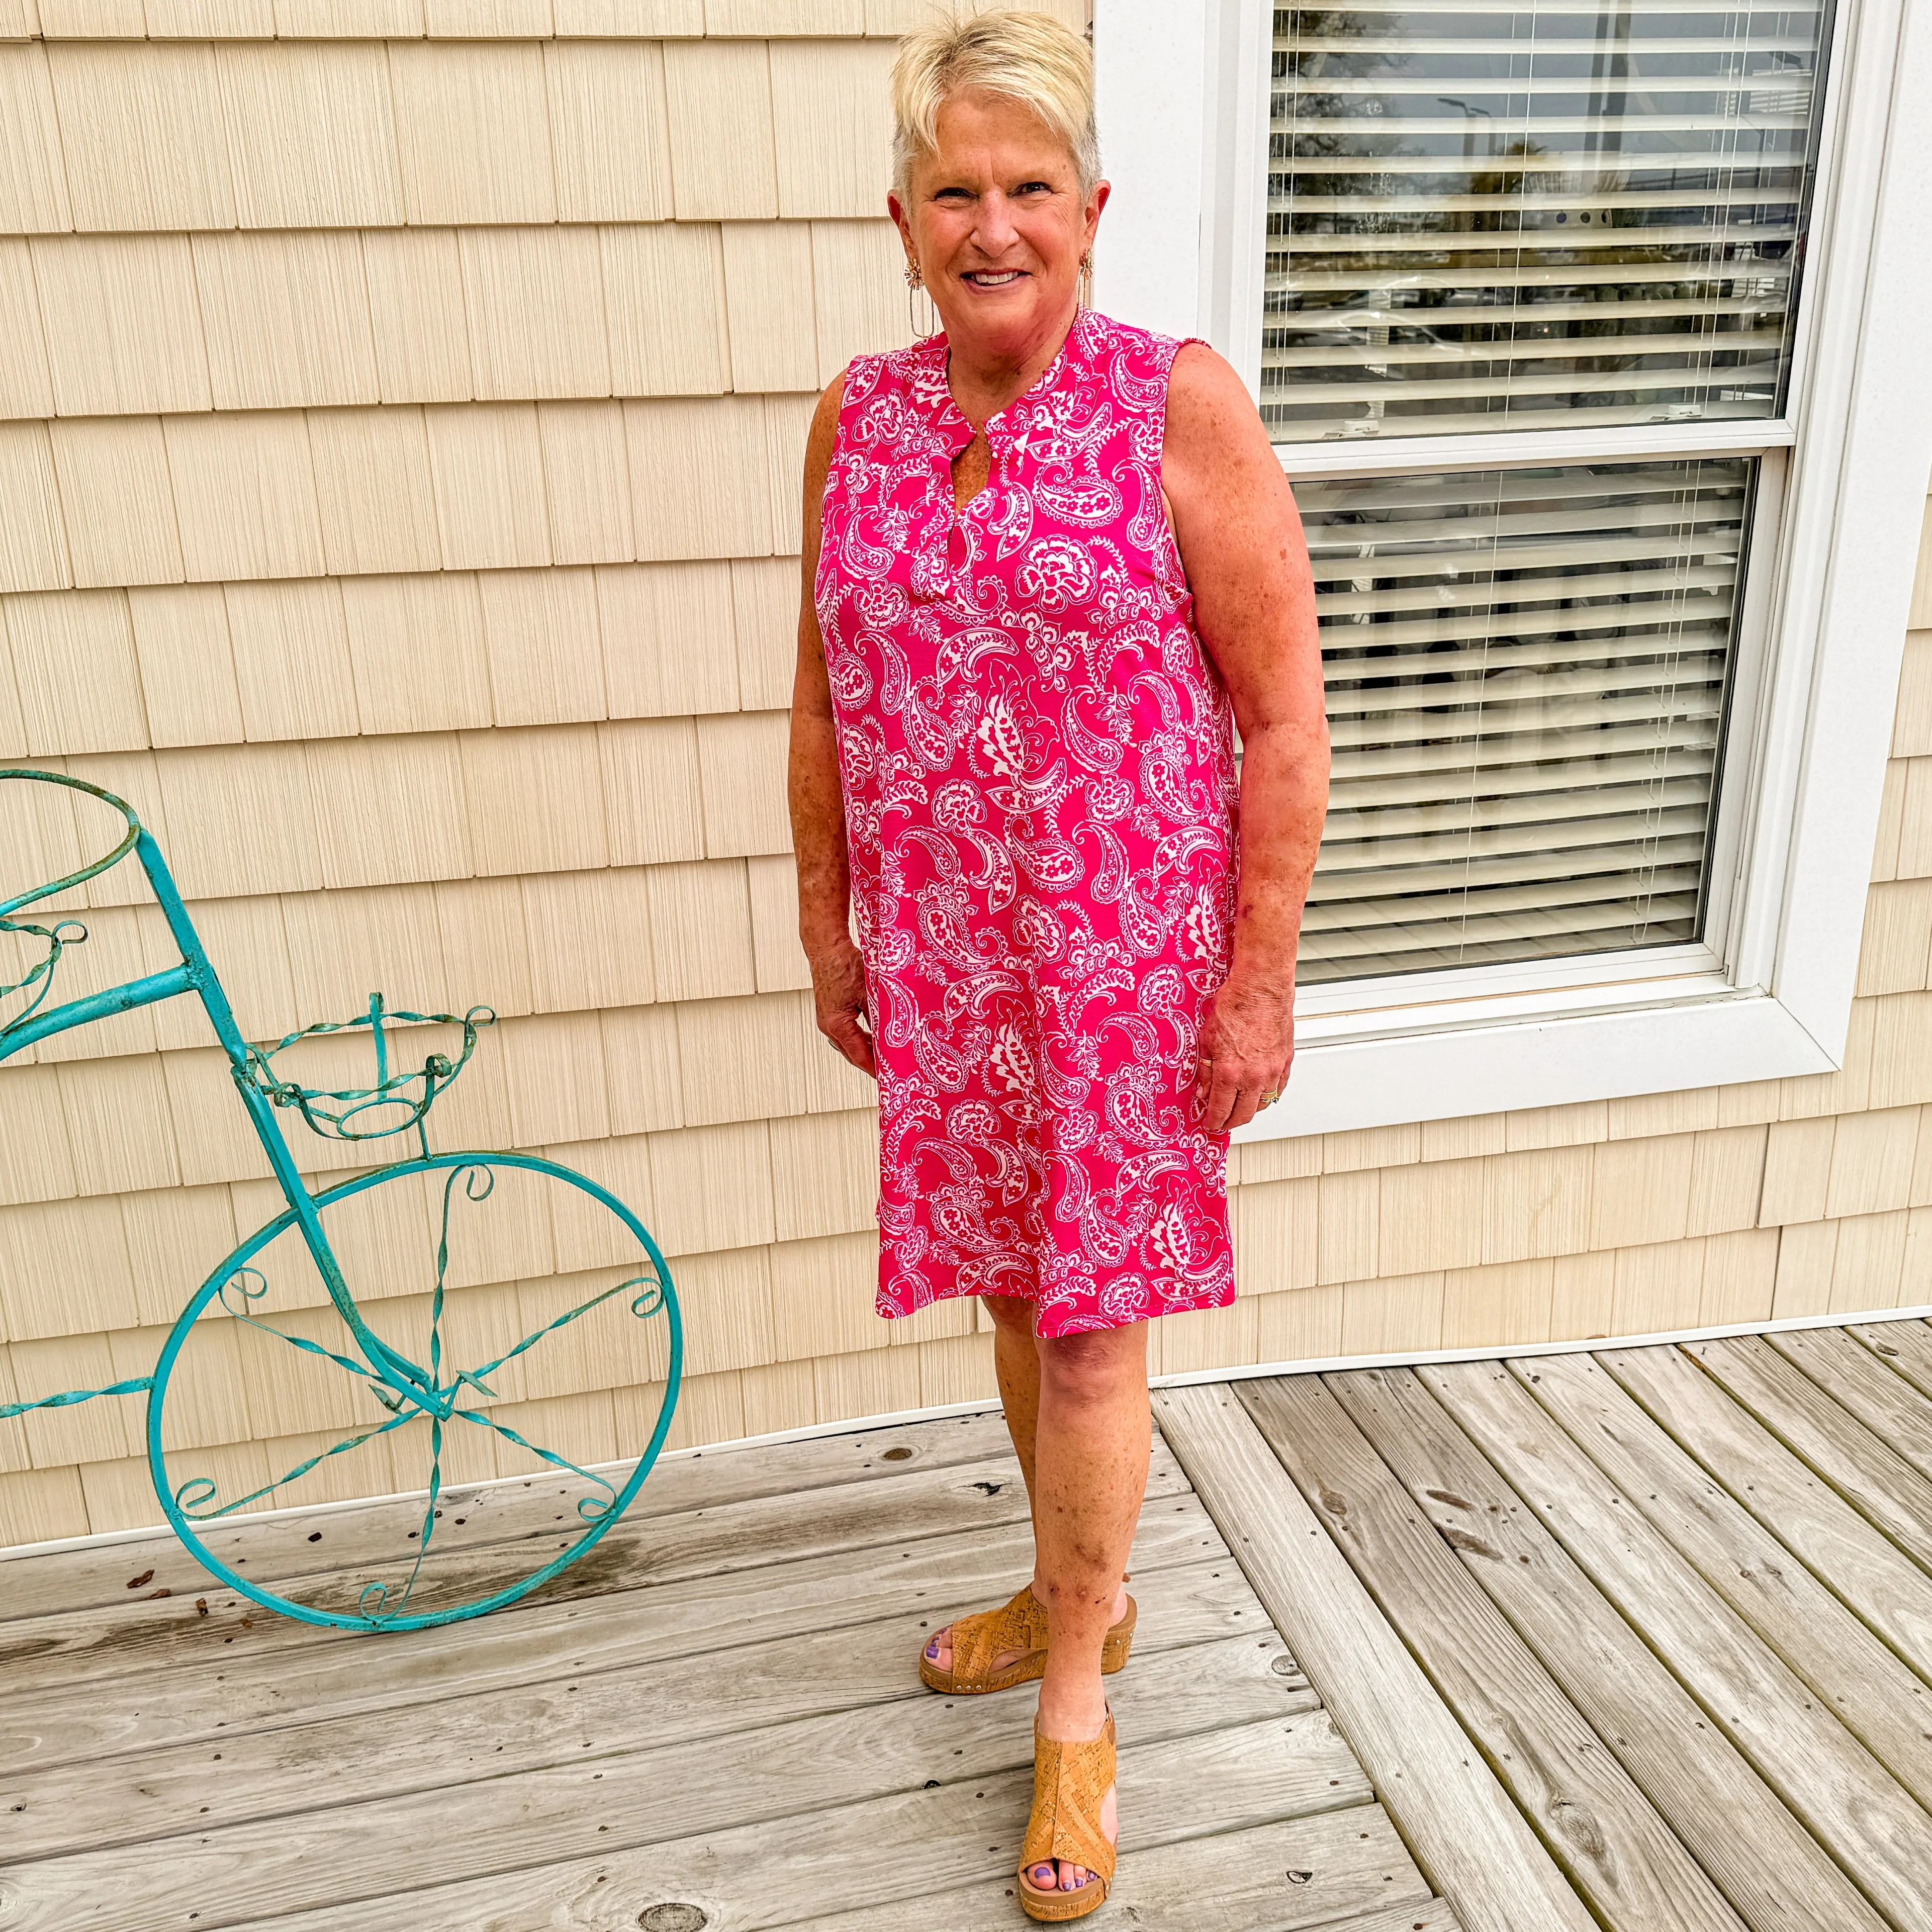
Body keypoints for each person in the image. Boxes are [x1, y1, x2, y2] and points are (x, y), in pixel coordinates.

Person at [787, 11, 1327, 1918]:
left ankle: (1081, 1700)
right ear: (904, 217)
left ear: (1091, 212)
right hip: (948, 951)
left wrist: (1257, 983)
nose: (993, 222)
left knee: (1094, 1325)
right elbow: (826, 685)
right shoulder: (857, 419)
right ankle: (1052, 1585)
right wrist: (827, 910)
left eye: (1031, 187)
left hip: (1122, 967)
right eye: (957, 189)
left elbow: (1280, 721)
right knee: (1015, 1294)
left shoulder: (1171, 402)